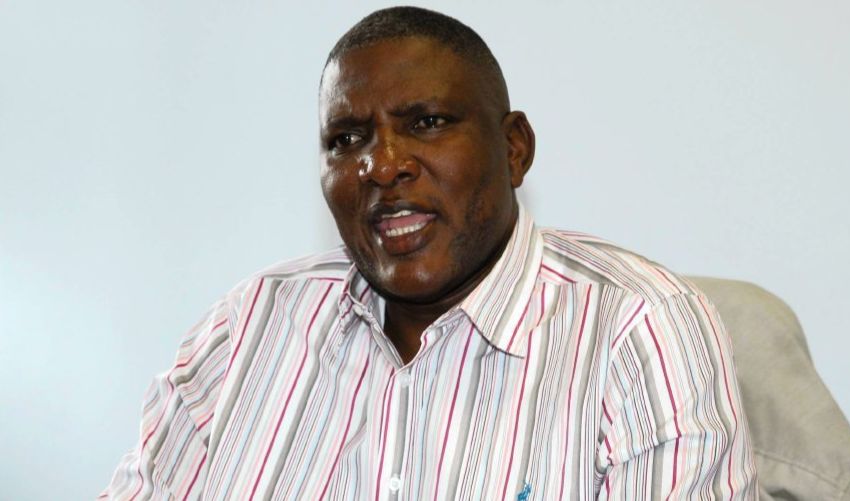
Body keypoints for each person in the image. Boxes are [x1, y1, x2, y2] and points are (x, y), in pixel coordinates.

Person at [102, 6, 757, 500]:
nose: (382, 165)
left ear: (514, 149)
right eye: (346, 138)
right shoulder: (246, 329)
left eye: (427, 122)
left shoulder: (639, 330)